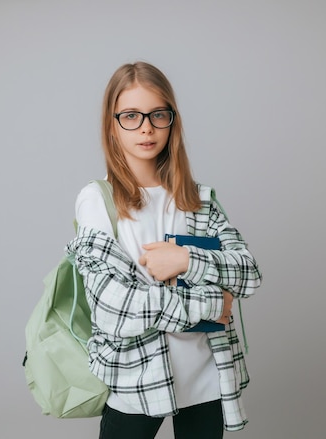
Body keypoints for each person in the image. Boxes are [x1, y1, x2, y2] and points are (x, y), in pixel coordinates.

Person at [65, 61, 262, 439]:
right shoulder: (98, 200)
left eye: (158, 114)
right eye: (131, 116)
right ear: (112, 124)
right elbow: (113, 309)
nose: (146, 127)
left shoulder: (197, 200)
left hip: (206, 379)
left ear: (173, 120)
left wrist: (185, 259)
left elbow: (249, 272)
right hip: (138, 378)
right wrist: (209, 305)